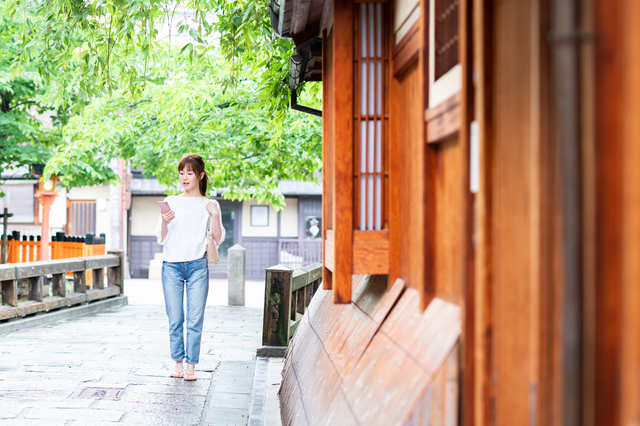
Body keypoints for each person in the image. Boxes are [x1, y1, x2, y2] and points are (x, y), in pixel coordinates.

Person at [154, 153, 225, 381]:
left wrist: (214, 216)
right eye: (181, 173)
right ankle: (177, 363)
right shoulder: (171, 201)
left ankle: (191, 367)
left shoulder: (210, 205)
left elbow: (218, 238)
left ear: (200, 176)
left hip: (197, 265)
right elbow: (161, 238)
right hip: (171, 266)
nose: (184, 177)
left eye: (190, 173)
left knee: (195, 318)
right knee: (175, 318)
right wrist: (164, 223)